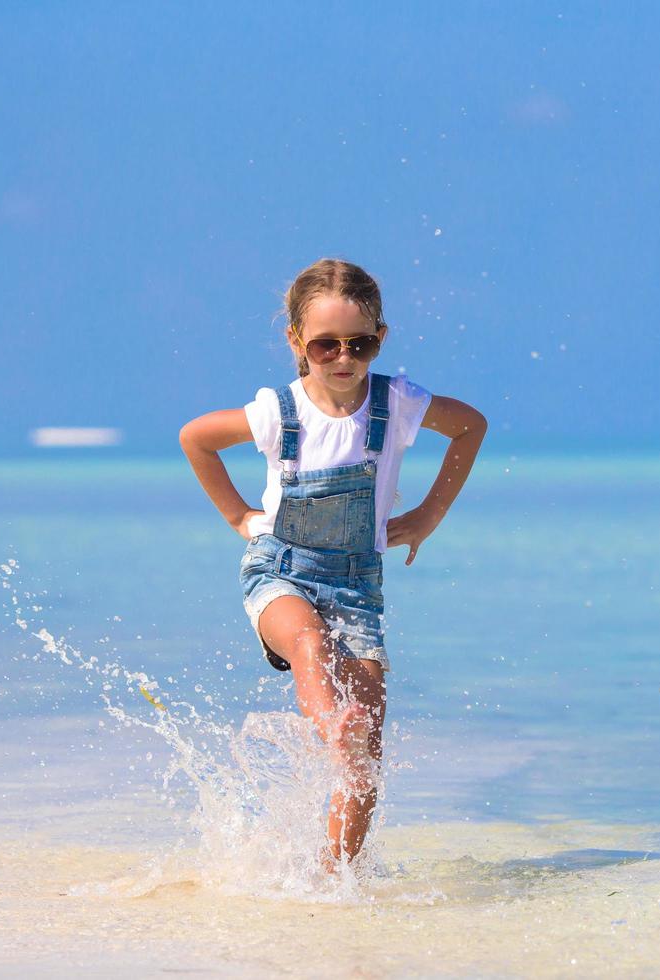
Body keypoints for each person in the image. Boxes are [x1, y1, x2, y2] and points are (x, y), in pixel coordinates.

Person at [178, 258, 486, 869]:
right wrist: (239, 517)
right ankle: (328, 726)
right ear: (297, 342)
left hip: (357, 586)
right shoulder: (277, 412)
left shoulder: (396, 403)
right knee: (310, 642)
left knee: (367, 754)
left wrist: (428, 516)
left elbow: (471, 427)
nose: (343, 358)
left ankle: (335, 878)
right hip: (280, 572)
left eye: (360, 343)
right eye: (325, 346)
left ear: (380, 339)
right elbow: (197, 438)